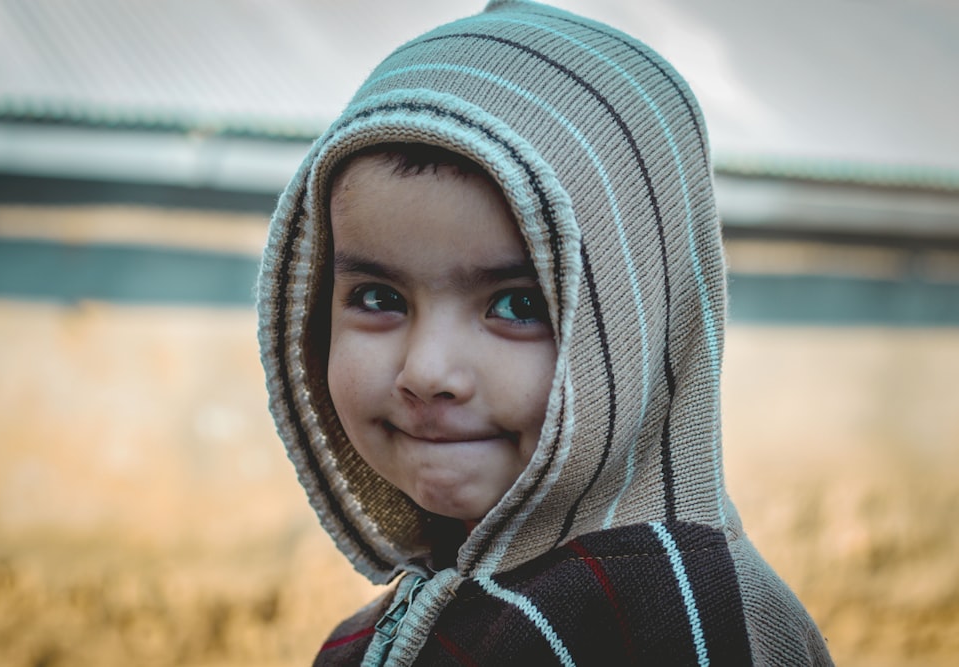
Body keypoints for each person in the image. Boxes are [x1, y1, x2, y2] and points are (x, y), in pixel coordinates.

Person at [257, 1, 833, 664]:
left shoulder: (680, 622)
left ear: (636, 330)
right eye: (379, 297)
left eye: (518, 305)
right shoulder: (381, 631)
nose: (426, 370)